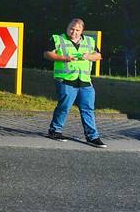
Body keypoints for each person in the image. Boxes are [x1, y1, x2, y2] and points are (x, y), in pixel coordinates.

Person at [44, 18, 107, 148]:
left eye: (77, 30)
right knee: (64, 106)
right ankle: (55, 130)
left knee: (88, 108)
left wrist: (88, 56)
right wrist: (64, 58)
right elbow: (47, 54)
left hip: (85, 80)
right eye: (71, 29)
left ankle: (92, 136)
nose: (74, 32)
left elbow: (99, 56)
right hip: (66, 79)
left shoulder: (89, 41)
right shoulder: (57, 39)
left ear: (82, 30)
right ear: (67, 28)